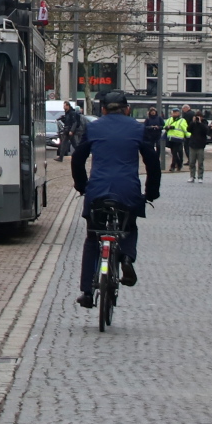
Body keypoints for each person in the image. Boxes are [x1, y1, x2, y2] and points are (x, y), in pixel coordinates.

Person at [72, 90, 162, 308]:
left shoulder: (93, 127)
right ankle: (127, 259)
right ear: (127, 109)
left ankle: (86, 291)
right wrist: (151, 192)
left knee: (93, 237)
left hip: (98, 191)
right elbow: (153, 163)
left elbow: (77, 158)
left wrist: (82, 186)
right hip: (127, 191)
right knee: (129, 227)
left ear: (102, 110)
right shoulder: (138, 129)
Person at [184, 106, 210, 182]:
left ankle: (200, 177)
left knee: (200, 162)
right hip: (192, 144)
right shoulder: (193, 124)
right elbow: (188, 129)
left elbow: (206, 131)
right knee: (192, 162)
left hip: (201, 145)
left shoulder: (204, 123)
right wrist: (193, 122)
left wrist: (200, 123)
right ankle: (192, 176)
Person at [165, 107, 187, 172]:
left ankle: (173, 166)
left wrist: (187, 136)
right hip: (170, 138)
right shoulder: (169, 120)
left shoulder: (182, 120)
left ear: (179, 113)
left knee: (174, 153)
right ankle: (179, 164)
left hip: (178, 138)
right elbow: (165, 127)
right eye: (173, 112)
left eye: (176, 112)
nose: (174, 114)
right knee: (173, 153)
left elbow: (184, 128)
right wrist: (167, 127)